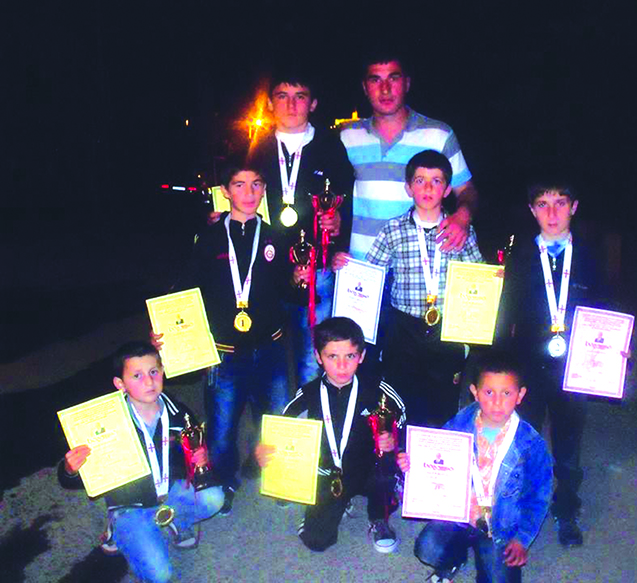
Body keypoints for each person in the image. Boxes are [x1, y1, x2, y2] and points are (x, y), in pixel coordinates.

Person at [159, 156, 304, 515]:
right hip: (224, 353)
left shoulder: (275, 236)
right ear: (224, 191)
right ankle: (224, 481)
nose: (249, 192)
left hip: (270, 348)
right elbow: (187, 288)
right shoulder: (209, 239)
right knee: (222, 427)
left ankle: (279, 478)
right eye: (239, 185)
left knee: (275, 419)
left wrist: (297, 281)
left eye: (256, 184)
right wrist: (164, 327)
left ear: (265, 189)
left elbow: (288, 292)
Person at [496, 183, 610, 547]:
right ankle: (522, 506)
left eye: (560, 203)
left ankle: (566, 507)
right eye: (543, 204)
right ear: (532, 210)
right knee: (524, 438)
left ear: (574, 207)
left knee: (569, 442)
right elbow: (504, 313)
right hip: (527, 364)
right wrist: (500, 366)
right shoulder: (518, 256)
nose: (552, 213)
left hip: (575, 366)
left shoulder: (590, 256)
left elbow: (606, 310)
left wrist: (615, 351)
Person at [58, 342, 224, 583]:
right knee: (160, 575)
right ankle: (117, 526)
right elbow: (74, 480)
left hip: (168, 491)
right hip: (130, 504)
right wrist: (70, 470)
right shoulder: (107, 423)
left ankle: (175, 520)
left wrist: (199, 457)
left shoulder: (179, 413)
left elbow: (193, 447)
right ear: (120, 384)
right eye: (137, 376)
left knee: (214, 498)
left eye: (153, 372)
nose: (149, 381)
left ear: (163, 371)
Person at [254, 317, 406, 553]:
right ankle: (336, 501)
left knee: (387, 468)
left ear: (362, 356)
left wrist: (395, 442)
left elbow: (403, 419)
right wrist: (265, 450)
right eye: (332, 356)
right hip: (328, 473)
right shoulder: (307, 395)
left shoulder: (378, 391)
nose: (342, 366)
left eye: (350, 356)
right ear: (318, 357)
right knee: (316, 540)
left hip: (368, 467)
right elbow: (281, 431)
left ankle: (379, 517)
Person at [400, 351, 553, 583]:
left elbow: (539, 495)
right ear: (475, 392)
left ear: (520, 395)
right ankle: (454, 560)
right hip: (458, 515)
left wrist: (522, 539)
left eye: (507, 393)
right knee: (427, 548)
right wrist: (412, 463)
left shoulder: (531, 444)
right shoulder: (459, 424)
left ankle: (485, 558)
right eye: (489, 392)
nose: (497, 402)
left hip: (500, 527)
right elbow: (434, 462)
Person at [362, 150, 483, 427]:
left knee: (443, 404)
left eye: (436, 181)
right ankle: (400, 452)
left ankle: (439, 452)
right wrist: (343, 265)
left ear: (448, 190)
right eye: (420, 181)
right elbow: (370, 274)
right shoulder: (393, 230)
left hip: (446, 331)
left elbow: (478, 277)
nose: (428, 188)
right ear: (408, 188)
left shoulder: (462, 232)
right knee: (400, 403)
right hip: (403, 330)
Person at [249, 70, 354, 387]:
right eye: (282, 97)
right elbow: (237, 192)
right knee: (269, 350)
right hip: (265, 268)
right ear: (270, 104)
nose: (291, 105)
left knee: (312, 355)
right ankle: (279, 411)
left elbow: (347, 200)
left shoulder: (331, 147)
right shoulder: (256, 148)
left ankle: (312, 414)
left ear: (313, 103)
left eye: (300, 97)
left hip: (315, 270)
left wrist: (339, 227)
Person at [339, 52, 479, 260]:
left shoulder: (439, 134)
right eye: (375, 80)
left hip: (417, 269)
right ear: (365, 88)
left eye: (393, 78)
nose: (385, 89)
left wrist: (463, 217)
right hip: (362, 267)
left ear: (407, 83)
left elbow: (466, 190)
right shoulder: (347, 136)